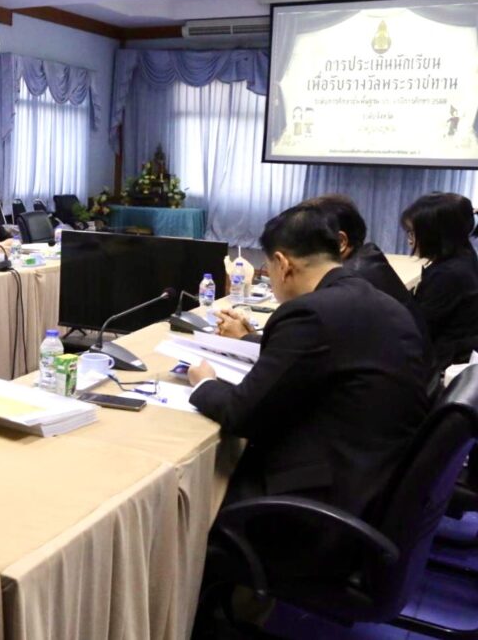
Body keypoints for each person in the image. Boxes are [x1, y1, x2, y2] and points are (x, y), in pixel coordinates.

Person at [189, 204, 428, 519]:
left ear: (282, 264)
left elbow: (242, 414)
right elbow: (322, 356)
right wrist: (249, 341)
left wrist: (205, 383)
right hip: (378, 481)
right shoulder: (378, 300)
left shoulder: (309, 313)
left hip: (322, 503)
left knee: (201, 499)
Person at [215, 194, 427, 352]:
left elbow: (304, 350)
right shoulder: (365, 263)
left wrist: (244, 339)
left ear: (340, 241)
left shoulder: (352, 283)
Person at [401, 192, 478, 368]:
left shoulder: (448, 275)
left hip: (445, 362)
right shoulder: (464, 256)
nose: (410, 241)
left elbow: (417, 328)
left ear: (434, 235)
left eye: (412, 233)